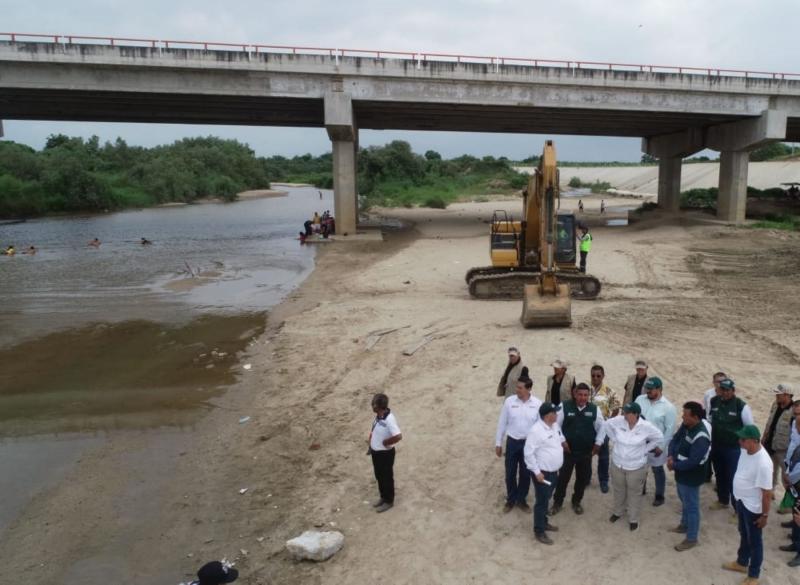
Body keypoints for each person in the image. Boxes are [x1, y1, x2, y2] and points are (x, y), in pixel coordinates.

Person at [722, 425, 772, 585]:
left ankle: (754, 576)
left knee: (755, 542)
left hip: (753, 508)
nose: (739, 441)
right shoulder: (745, 450)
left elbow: (767, 493)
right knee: (744, 533)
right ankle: (742, 562)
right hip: (741, 501)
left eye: (743, 439)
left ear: (754, 441)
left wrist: (765, 515)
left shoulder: (764, 463)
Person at [604, 402, 664, 531]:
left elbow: (659, 437)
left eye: (627, 413)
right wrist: (614, 439)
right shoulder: (619, 421)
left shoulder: (646, 426)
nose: (624, 415)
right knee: (619, 490)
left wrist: (645, 450)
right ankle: (618, 512)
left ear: (636, 414)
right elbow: (607, 424)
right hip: (617, 463)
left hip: (636, 467)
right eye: (624, 412)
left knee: (634, 493)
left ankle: (633, 518)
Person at [551, 383, 605, 516]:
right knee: (563, 478)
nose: (582, 398)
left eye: (585, 395)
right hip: (567, 451)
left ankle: (576, 502)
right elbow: (555, 425)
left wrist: (598, 443)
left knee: (582, 479)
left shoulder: (594, 409)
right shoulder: (565, 406)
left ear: (589, 396)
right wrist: (562, 441)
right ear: (575, 394)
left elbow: (602, 427)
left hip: (585, 452)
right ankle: (557, 502)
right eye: (580, 394)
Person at [667, 401, 711, 551]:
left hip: (691, 476)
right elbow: (675, 439)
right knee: (684, 500)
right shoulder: (687, 425)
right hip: (681, 472)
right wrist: (671, 455)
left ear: (695, 417)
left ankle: (691, 538)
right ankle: (684, 525)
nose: (682, 417)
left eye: (685, 415)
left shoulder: (701, 437)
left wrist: (674, 465)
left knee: (692, 506)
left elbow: (693, 461)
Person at [495, 376, 542, 512]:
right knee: (510, 473)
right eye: (517, 387)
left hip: (528, 444)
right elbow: (502, 422)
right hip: (512, 442)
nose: (517, 390)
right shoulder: (509, 402)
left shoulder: (537, 404)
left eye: (520, 388)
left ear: (529, 389)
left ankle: (521, 500)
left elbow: (540, 427)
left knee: (525, 474)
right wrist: (498, 443)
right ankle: (510, 500)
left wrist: (538, 448)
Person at [710, 378, 755, 511]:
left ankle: (737, 509)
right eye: (722, 389)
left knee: (733, 478)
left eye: (727, 390)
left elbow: (749, 427)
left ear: (733, 390)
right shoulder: (714, 401)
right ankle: (722, 500)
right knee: (719, 474)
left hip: (733, 448)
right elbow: (710, 419)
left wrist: (747, 448)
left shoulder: (741, 406)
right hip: (717, 445)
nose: (725, 392)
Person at [524, 402, 565, 545]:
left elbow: (560, 438)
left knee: (547, 498)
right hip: (543, 473)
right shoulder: (536, 431)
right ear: (547, 415)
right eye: (554, 412)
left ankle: (544, 522)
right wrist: (537, 472)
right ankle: (539, 530)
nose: (557, 414)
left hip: (553, 471)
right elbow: (528, 453)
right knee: (541, 502)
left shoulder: (555, 426)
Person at [635, 376, 677, 506]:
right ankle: (641, 489)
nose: (648, 391)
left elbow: (669, 430)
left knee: (657, 470)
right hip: (639, 442)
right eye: (647, 388)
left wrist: (661, 446)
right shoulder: (639, 399)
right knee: (640, 467)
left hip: (656, 445)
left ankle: (659, 495)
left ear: (659, 389)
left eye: (651, 389)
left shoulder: (669, 407)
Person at [368, 393, 402, 513]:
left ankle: (389, 500)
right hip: (376, 453)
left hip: (385, 454)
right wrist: (371, 446)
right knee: (379, 476)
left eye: (374, 403)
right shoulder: (379, 416)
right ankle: (383, 497)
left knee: (386, 477)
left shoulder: (389, 419)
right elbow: (375, 431)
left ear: (378, 406)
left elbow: (398, 436)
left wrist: (386, 442)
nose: (372, 405)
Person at [589, 364, 620, 493]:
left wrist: (608, 423)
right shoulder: (586, 390)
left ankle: (603, 481)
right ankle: (586, 478)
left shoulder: (609, 391)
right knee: (587, 455)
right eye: (593, 375)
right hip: (587, 428)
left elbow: (616, 408)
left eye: (598, 376)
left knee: (603, 456)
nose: (595, 378)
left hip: (603, 428)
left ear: (603, 376)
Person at [763, 383, 795, 492]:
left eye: (779, 394)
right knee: (770, 472)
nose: (776, 396)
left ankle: (789, 499)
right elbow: (769, 422)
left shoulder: (794, 411)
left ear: (787, 395)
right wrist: (764, 437)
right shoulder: (775, 405)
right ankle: (770, 493)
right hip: (770, 444)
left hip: (784, 450)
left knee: (786, 477)